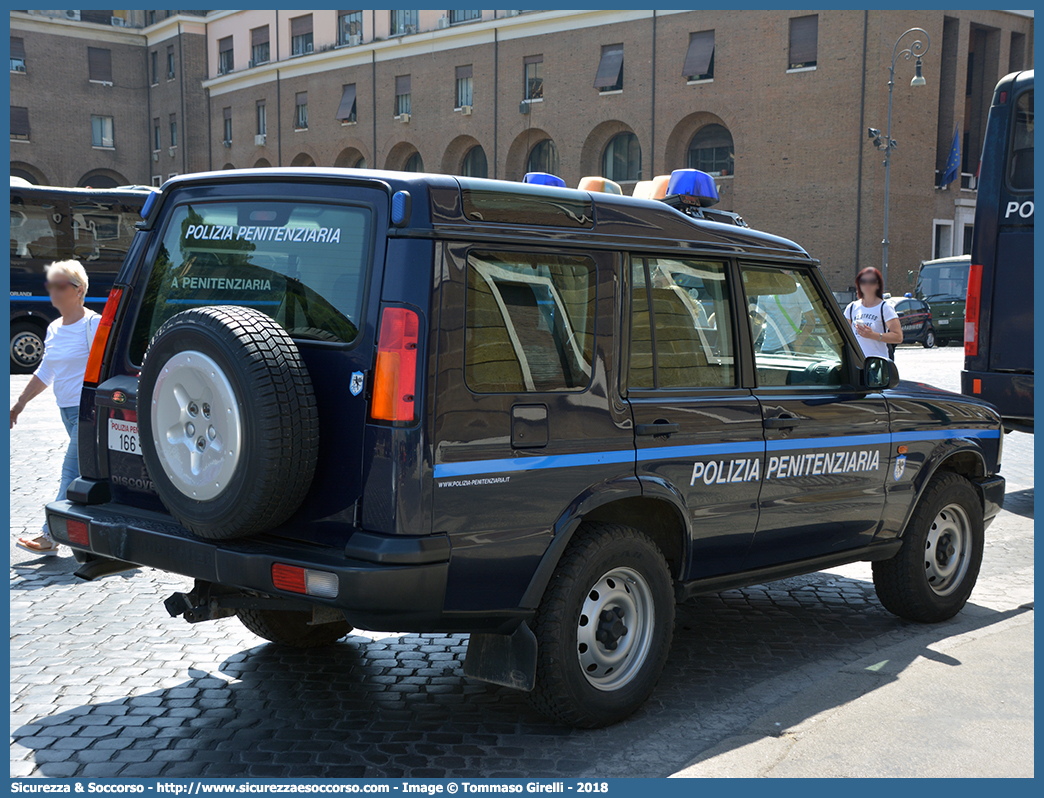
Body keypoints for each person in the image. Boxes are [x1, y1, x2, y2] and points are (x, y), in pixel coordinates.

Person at [10, 260, 100, 555]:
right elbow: (45, 371)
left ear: (80, 290)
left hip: (89, 413)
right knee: (88, 473)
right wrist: (20, 404)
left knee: (69, 471)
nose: (54, 292)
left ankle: (50, 536)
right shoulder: (53, 328)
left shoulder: (93, 324)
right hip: (66, 411)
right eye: (51, 285)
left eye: (62, 286)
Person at [844, 266, 902, 360]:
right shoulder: (851, 308)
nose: (867, 285)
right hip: (856, 364)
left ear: (878, 285)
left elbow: (898, 337)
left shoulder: (884, 307)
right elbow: (844, 335)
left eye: (872, 282)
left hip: (878, 363)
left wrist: (872, 335)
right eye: (863, 281)